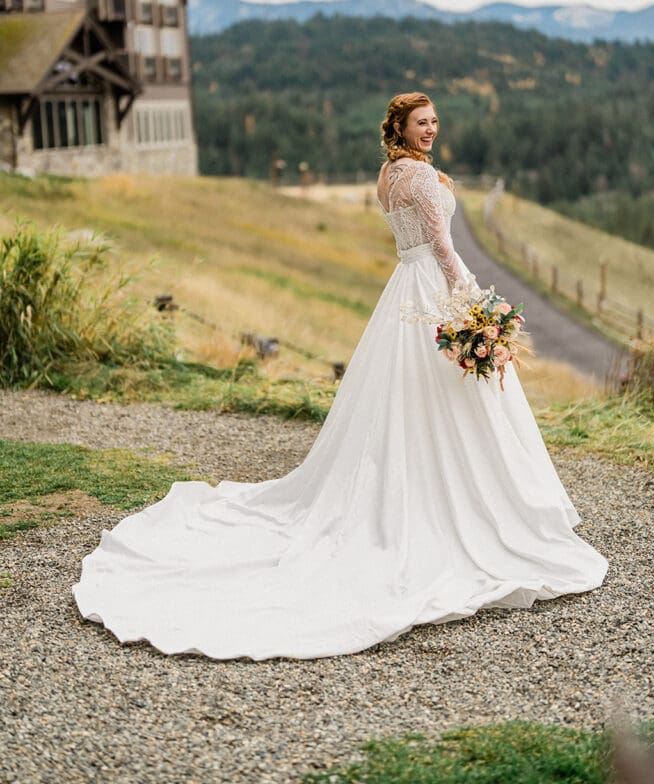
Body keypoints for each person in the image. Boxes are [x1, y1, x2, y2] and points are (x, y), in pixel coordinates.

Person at [72, 91, 609, 661]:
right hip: (432, 288)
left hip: (404, 289)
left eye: (434, 122)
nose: (431, 130)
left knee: (413, 398)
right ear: (399, 127)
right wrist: (470, 300)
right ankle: (460, 506)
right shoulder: (423, 181)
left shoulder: (388, 176)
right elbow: (443, 247)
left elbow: (414, 236)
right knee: (446, 397)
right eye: (421, 123)